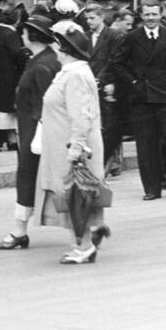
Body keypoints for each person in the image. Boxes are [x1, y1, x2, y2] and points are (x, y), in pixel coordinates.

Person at [32, 28, 109, 264]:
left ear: (65, 48)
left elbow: (81, 115)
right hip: (63, 146)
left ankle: (84, 245)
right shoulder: (69, 72)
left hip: (72, 148)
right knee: (74, 195)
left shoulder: (75, 75)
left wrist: (76, 147)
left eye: (57, 42)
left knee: (77, 196)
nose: (53, 46)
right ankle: (85, 239)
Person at [0, 14, 61, 250]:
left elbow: (47, 103)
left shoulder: (42, 65)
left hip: (37, 131)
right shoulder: (43, 60)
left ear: (31, 36)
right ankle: (85, 228)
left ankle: (19, 231)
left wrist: (39, 134)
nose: (20, 36)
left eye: (23, 32)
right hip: (35, 129)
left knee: (29, 178)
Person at [113, 2, 166, 200]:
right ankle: (152, 188)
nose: (150, 18)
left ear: (160, 14)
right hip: (142, 97)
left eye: (154, 14)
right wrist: (134, 82)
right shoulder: (132, 38)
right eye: (146, 14)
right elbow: (117, 63)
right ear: (141, 16)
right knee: (146, 144)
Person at [85, 2, 126, 177]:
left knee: (110, 124)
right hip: (89, 83)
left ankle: (113, 160)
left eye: (92, 18)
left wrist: (102, 79)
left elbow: (113, 60)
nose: (89, 22)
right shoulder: (85, 36)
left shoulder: (113, 36)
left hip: (107, 83)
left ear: (102, 17)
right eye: (87, 18)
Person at [0, 6, 28, 152]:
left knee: (1, 109)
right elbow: (17, 54)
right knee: (6, 109)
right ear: (17, 20)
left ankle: (12, 140)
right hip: (10, 76)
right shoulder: (11, 34)